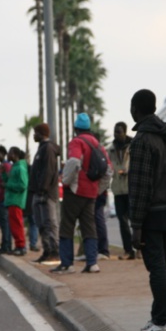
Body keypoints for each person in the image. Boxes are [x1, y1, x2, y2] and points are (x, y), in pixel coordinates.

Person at [128, 89, 166, 331]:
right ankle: (159, 316)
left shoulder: (142, 141)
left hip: (151, 214)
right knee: (161, 266)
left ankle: (163, 321)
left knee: (156, 267)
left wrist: (136, 225)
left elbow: (139, 187)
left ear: (136, 109)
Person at [50, 113, 112, 274]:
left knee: (67, 226)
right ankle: (92, 263)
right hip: (91, 194)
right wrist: (99, 189)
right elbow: (108, 170)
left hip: (75, 191)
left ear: (76, 128)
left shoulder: (77, 142)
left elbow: (73, 162)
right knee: (89, 227)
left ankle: (67, 264)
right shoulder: (98, 145)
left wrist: (66, 181)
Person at [29, 123, 61, 264]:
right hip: (38, 193)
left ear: (41, 134)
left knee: (50, 223)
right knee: (41, 224)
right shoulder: (41, 148)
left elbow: (48, 171)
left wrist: (43, 189)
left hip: (46, 194)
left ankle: (55, 252)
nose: (33, 136)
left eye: (35, 133)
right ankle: (47, 251)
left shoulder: (48, 149)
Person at [108, 121, 136, 260]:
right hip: (118, 190)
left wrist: (128, 171)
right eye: (115, 131)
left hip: (131, 188)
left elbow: (137, 164)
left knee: (135, 220)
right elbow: (109, 167)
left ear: (125, 132)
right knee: (122, 221)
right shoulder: (111, 149)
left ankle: (139, 248)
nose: (116, 134)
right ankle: (128, 250)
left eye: (118, 131)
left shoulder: (133, 145)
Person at [2, 147, 29, 256]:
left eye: (9, 153)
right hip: (11, 200)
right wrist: (3, 173)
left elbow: (23, 185)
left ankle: (21, 246)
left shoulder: (20, 168)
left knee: (17, 224)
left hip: (16, 200)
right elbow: (8, 180)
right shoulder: (15, 167)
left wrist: (8, 185)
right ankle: (18, 245)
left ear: (14, 154)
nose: (7, 155)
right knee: (14, 225)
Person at [0, 145, 13, 256]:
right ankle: (4, 245)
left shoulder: (6, 166)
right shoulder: (2, 166)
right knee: (3, 224)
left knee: (5, 224)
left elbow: (8, 182)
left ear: (3, 154)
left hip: (3, 200)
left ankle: (6, 246)